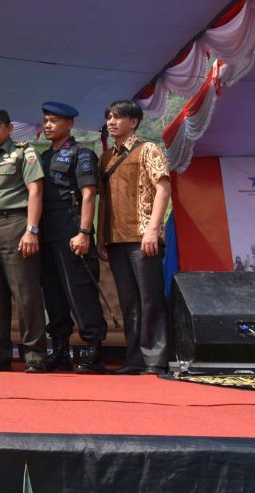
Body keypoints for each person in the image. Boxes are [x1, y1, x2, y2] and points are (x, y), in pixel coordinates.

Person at [0, 110, 47, 373]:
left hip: (16, 224)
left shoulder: (24, 152)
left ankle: (35, 355)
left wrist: (32, 230)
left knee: (25, 293)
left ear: (10, 128)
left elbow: (36, 190)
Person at [97, 99, 171, 375]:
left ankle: (156, 360)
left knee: (150, 298)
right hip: (115, 239)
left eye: (117, 117)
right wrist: (101, 236)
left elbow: (163, 188)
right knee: (129, 302)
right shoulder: (106, 157)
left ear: (134, 121)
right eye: (109, 117)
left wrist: (152, 229)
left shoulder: (148, 149)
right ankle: (135, 359)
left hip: (143, 237)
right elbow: (103, 200)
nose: (111, 122)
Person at [38, 102, 107, 374]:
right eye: (45, 120)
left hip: (72, 228)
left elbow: (88, 194)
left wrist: (84, 232)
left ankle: (93, 352)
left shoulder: (82, 154)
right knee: (53, 294)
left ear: (70, 124)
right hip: (47, 232)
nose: (48, 125)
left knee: (80, 291)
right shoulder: (43, 157)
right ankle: (60, 351)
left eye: (54, 120)